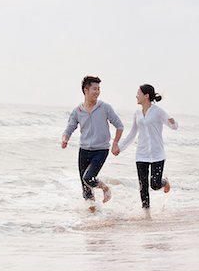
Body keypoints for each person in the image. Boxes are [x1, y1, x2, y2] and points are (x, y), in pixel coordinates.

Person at [61, 76, 124, 212]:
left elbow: (119, 125)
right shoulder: (78, 111)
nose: (97, 92)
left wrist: (115, 143)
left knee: (88, 178)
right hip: (84, 150)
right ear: (86, 90)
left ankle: (105, 188)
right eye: (94, 89)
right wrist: (65, 138)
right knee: (85, 187)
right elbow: (69, 128)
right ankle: (93, 217)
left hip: (101, 150)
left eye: (99, 89)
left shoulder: (105, 107)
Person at [115, 84, 178, 211]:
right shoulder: (137, 113)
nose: (136, 96)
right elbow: (132, 133)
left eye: (138, 93)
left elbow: (174, 126)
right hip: (141, 154)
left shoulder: (158, 111)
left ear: (146, 96)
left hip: (157, 154)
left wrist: (173, 122)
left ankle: (164, 182)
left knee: (154, 185)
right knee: (143, 186)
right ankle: (146, 214)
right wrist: (119, 147)